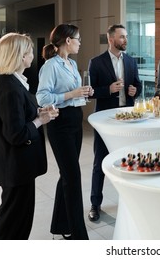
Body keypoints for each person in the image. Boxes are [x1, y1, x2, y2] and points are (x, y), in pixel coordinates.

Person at [0, 33, 58, 239]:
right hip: (15, 167)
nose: (33, 55)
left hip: (17, 167)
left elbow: (17, 117)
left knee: (18, 218)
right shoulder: (9, 87)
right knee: (12, 222)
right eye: (29, 52)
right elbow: (16, 134)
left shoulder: (13, 82)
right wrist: (40, 121)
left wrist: (37, 113)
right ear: (20, 56)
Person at [36, 24, 93, 240]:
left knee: (67, 176)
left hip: (75, 121)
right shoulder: (51, 66)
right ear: (68, 40)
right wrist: (71, 95)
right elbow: (42, 98)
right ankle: (79, 236)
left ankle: (60, 224)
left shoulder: (71, 63)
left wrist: (84, 93)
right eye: (78, 38)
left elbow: (74, 94)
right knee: (73, 177)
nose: (80, 42)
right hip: (60, 124)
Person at [87, 24, 142, 222]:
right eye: (122, 37)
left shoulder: (131, 61)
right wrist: (108, 89)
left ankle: (130, 203)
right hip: (105, 120)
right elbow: (91, 92)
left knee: (128, 161)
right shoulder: (96, 62)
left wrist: (136, 90)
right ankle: (95, 204)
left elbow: (137, 83)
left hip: (127, 119)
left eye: (126, 36)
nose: (125, 40)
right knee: (99, 161)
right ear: (111, 39)